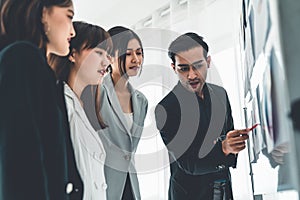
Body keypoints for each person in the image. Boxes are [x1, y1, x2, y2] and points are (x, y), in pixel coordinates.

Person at [0, 0, 83, 199]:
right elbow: (20, 162)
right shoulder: (22, 58)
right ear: (43, 13)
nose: (73, 32)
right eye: (69, 16)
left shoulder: (39, 69)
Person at [155, 33, 250, 200]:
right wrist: (224, 148)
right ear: (173, 68)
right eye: (184, 68)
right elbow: (188, 163)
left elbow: (228, 137)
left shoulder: (220, 94)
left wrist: (233, 143)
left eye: (197, 66)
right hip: (190, 194)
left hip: (224, 189)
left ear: (208, 62)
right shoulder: (166, 108)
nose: (191, 75)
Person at [49, 21, 112, 199]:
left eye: (108, 55)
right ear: (73, 54)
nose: (107, 62)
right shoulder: (60, 103)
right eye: (99, 52)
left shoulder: (82, 106)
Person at [93, 26, 148, 200]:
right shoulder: (96, 94)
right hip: (103, 182)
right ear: (111, 56)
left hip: (131, 184)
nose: (136, 59)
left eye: (139, 53)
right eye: (128, 53)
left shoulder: (142, 101)